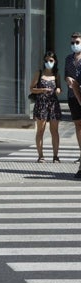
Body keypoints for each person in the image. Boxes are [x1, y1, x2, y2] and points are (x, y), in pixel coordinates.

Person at [29, 51, 62, 163]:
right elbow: (31, 88)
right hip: (41, 103)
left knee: (54, 131)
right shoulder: (39, 73)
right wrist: (42, 90)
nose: (48, 62)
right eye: (46, 60)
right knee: (41, 130)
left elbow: (59, 88)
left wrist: (58, 90)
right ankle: (41, 156)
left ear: (55, 61)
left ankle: (55, 156)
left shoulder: (56, 74)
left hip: (53, 104)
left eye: (51, 60)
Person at [64, 32, 81, 178]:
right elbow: (65, 75)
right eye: (73, 42)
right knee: (78, 125)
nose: (74, 45)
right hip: (72, 96)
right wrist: (68, 81)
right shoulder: (68, 59)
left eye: (77, 42)